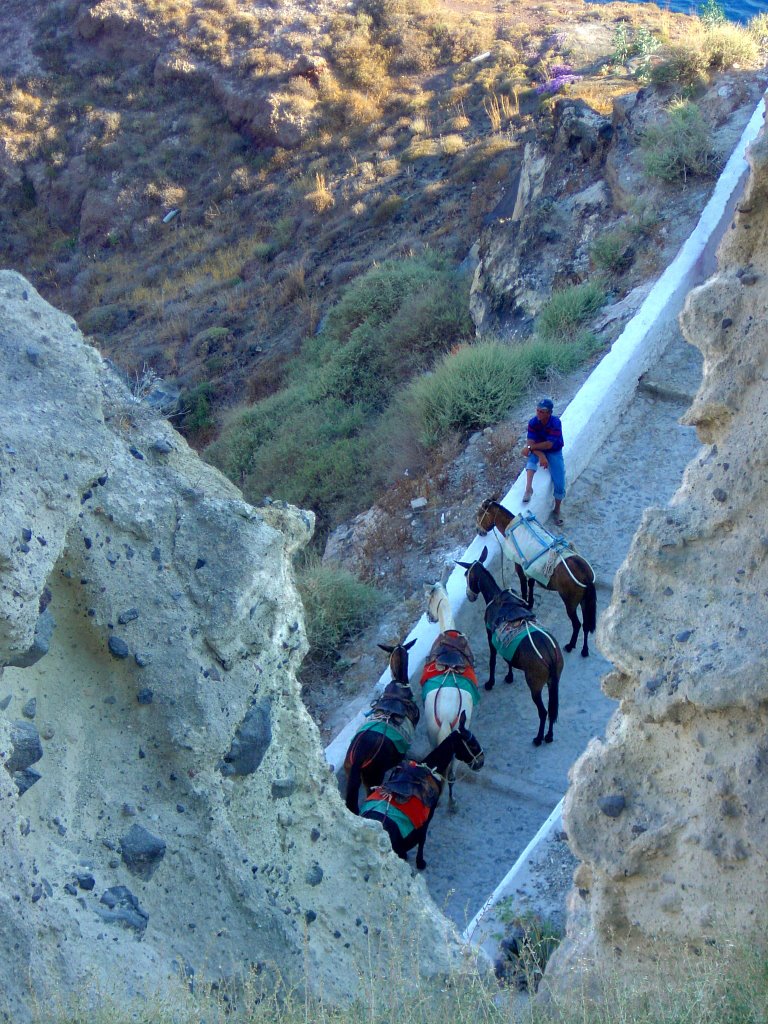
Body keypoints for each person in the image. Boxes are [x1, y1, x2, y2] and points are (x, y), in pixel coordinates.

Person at [521, 397, 565, 526]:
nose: (539, 413)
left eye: (542, 411)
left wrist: (530, 448)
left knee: (560, 479)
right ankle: (528, 488)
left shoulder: (555, 423)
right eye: (538, 410)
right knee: (531, 462)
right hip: (538, 450)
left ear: (549, 413)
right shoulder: (533, 423)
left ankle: (557, 509)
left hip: (553, 451)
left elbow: (549, 445)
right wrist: (540, 456)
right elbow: (531, 443)